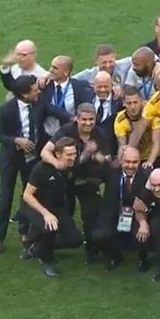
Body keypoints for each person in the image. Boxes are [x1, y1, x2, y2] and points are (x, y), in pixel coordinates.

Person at [40, 103, 111, 262]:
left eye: (91, 119)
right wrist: (58, 164)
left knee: (91, 215)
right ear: (77, 119)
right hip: (65, 180)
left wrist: (101, 158)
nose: (88, 123)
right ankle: (43, 245)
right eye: (84, 119)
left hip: (88, 181)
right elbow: (45, 152)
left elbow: (105, 157)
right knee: (62, 214)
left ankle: (92, 251)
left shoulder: (100, 134)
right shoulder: (66, 131)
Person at [0, 75, 48, 255]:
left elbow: (54, 111)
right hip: (10, 158)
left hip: (31, 158)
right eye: (35, 90)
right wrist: (17, 140)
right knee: (5, 197)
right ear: (24, 94)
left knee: (28, 194)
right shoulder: (6, 110)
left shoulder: (38, 103)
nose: (38, 92)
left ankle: (24, 230)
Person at [20, 137, 83, 277]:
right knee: (49, 228)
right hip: (34, 205)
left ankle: (37, 247)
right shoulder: (42, 169)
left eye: (75, 153)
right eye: (69, 154)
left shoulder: (72, 166)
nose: (73, 157)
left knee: (75, 240)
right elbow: (27, 195)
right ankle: (47, 260)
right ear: (58, 154)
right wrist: (45, 213)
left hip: (56, 206)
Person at [92, 147, 150, 271]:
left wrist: (144, 217)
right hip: (113, 213)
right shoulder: (110, 171)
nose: (130, 166)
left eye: (134, 162)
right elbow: (90, 173)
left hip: (137, 214)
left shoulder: (146, 175)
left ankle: (142, 257)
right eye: (127, 162)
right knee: (99, 235)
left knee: (144, 231)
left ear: (140, 162)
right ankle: (114, 255)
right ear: (121, 161)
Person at [41, 55, 94, 136]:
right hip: (48, 134)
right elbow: (45, 106)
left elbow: (86, 106)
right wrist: (69, 117)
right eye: (51, 66)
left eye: (55, 68)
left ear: (66, 72)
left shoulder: (80, 86)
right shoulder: (45, 85)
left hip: (72, 134)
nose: (50, 70)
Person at [114, 85, 156, 162]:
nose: (133, 107)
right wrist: (121, 157)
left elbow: (156, 142)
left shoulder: (150, 113)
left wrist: (149, 162)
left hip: (152, 156)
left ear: (141, 101)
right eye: (129, 103)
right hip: (133, 158)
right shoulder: (120, 119)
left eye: (135, 102)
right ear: (124, 103)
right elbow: (122, 144)